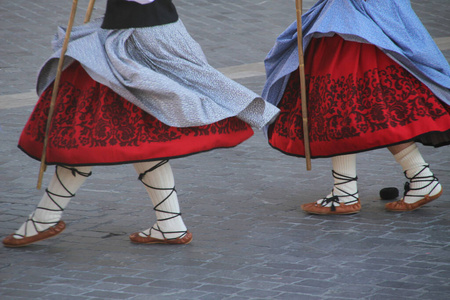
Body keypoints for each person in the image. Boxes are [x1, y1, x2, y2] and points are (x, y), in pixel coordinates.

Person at [2, 0, 279, 247]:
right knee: (137, 139)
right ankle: (169, 224)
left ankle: (46, 216)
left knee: (84, 136)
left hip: (136, 45)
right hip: (137, 38)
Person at [262, 0, 450, 214]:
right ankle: (419, 177)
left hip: (354, 21)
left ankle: (346, 192)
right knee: (376, 108)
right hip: (363, 17)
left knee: (340, 102)